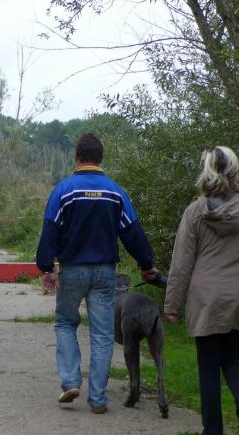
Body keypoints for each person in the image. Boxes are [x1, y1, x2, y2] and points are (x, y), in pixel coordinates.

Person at [36, 133, 158, 414]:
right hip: (104, 273)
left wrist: (46, 267)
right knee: (103, 334)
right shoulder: (116, 192)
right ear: (101, 159)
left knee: (66, 324)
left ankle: (70, 383)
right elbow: (132, 232)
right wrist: (146, 264)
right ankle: (98, 399)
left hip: (72, 270)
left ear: (77, 157)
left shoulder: (63, 191)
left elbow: (50, 230)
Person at [164, 146, 239, 435]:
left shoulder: (195, 212)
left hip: (206, 296)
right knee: (234, 356)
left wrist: (172, 304)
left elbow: (182, 262)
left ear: (206, 171)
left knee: (209, 365)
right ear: (234, 170)